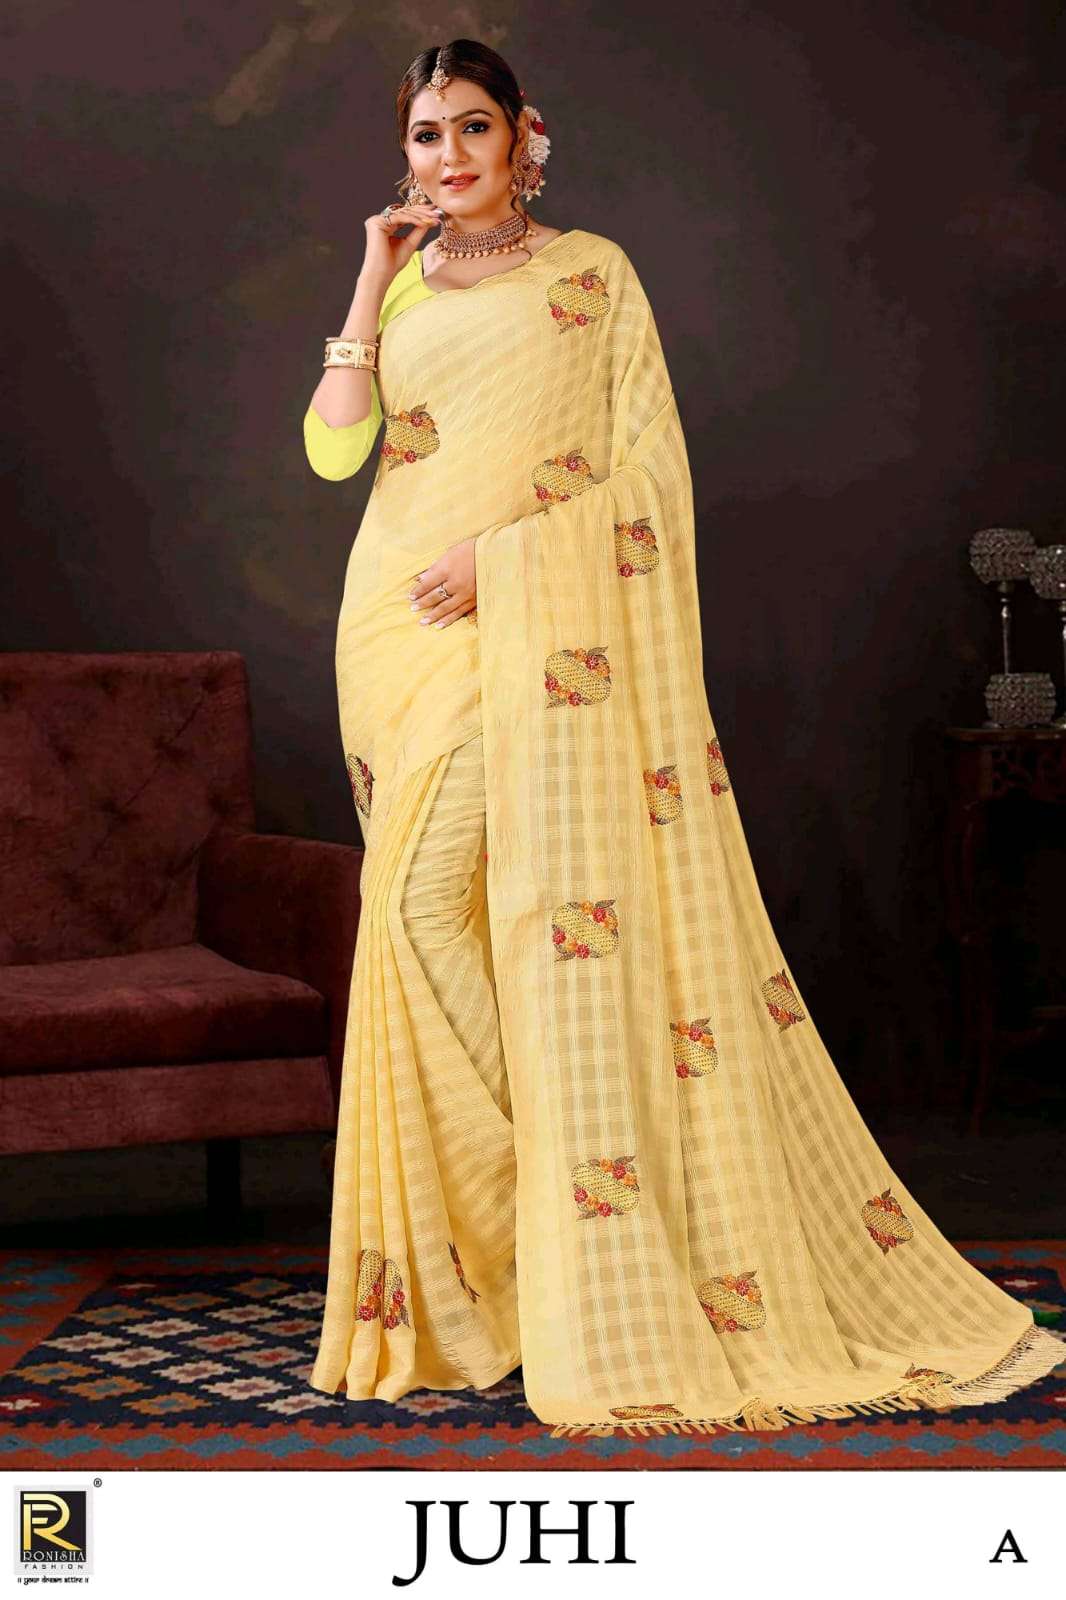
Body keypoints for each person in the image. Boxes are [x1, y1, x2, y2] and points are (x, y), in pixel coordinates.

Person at [301, 38, 1063, 1439]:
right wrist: (369, 272)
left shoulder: (592, 276)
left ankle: (562, 1233)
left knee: (427, 909)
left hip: (518, 619)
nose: (449, 157)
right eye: (424, 135)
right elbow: (336, 446)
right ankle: (524, 1251)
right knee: (425, 920)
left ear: (524, 136)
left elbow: (647, 480)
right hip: (390, 632)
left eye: (473, 129)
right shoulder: (402, 278)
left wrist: (504, 561)